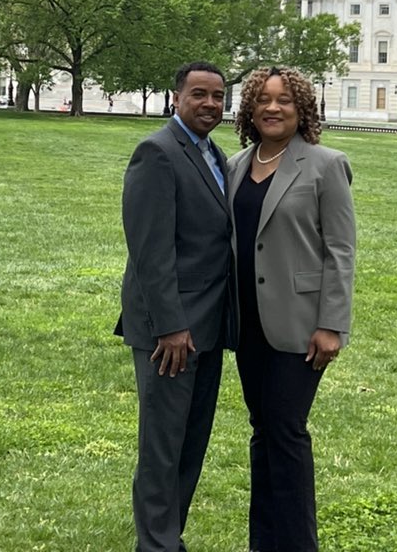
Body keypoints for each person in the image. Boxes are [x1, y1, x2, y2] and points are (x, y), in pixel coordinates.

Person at [228, 66, 355, 552]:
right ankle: (264, 542)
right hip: (247, 325)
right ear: (250, 109)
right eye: (263, 99)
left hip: (301, 326)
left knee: (286, 432)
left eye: (284, 100)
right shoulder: (237, 165)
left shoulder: (325, 164)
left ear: (302, 108)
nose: (273, 108)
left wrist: (331, 325)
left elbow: (340, 250)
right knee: (263, 433)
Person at [115, 61, 234, 552]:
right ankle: (157, 545)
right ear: (176, 98)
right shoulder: (157, 153)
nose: (210, 104)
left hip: (207, 325)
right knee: (163, 447)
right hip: (171, 332)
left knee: (190, 442)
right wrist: (169, 327)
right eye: (199, 95)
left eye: (218, 96)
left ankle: (168, 535)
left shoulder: (213, 153)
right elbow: (150, 250)